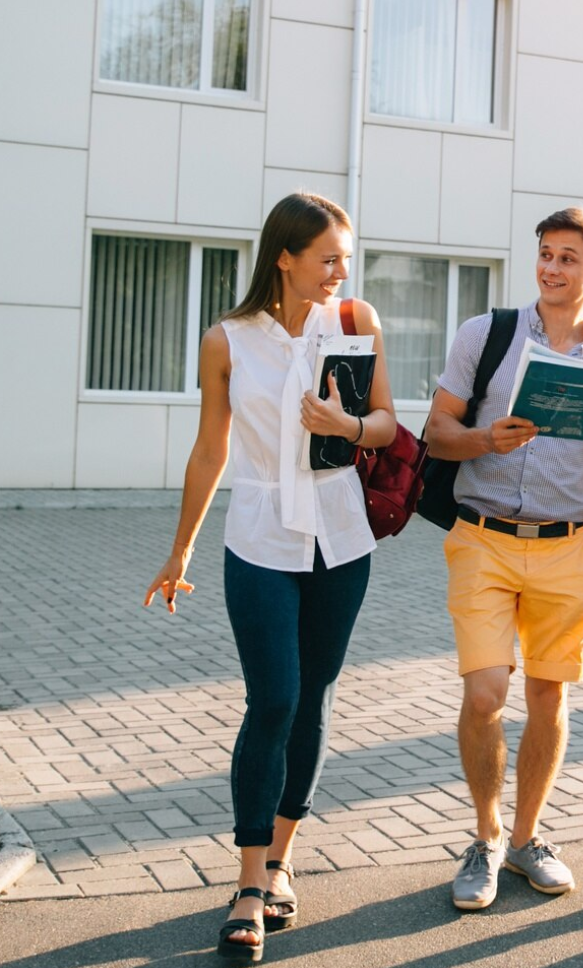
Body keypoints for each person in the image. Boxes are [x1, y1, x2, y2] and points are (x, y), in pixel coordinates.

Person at [144, 193, 395, 962]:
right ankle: (247, 882)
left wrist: (346, 428)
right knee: (273, 699)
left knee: (313, 700)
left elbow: (386, 422)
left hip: (341, 537)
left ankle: (281, 861)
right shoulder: (225, 341)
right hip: (257, 535)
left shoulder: (356, 323)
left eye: (345, 259)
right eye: (327, 258)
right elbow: (209, 450)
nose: (339, 272)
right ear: (284, 257)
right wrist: (180, 548)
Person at [423, 208, 583, 911]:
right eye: (544, 254)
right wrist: (486, 440)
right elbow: (434, 433)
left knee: (549, 697)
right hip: (481, 538)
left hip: (563, 550)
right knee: (485, 693)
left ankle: (525, 839)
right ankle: (485, 839)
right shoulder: (484, 336)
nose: (551, 268)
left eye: (567, 258)